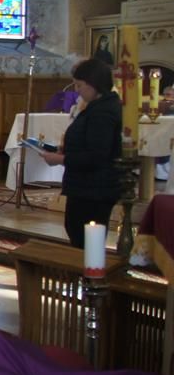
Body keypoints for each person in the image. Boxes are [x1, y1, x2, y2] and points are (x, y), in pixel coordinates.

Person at [42, 58, 122, 249]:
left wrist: (61, 159)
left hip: (94, 189)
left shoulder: (102, 112)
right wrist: (66, 149)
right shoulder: (97, 106)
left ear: (93, 84)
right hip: (87, 186)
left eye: (79, 85)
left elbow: (97, 155)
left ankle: (90, 269)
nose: (77, 90)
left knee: (86, 240)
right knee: (79, 235)